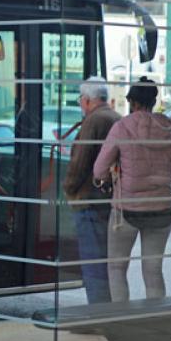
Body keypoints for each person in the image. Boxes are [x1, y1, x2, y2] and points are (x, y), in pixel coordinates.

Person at [94, 77, 171, 302]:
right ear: (154, 100)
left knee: (117, 268)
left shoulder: (121, 128)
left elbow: (99, 171)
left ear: (131, 101)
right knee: (153, 270)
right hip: (161, 211)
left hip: (125, 211)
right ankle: (156, 322)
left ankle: (123, 321)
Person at [62, 77, 121, 304]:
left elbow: (80, 162)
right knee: (107, 260)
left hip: (89, 200)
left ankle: (98, 314)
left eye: (80, 100)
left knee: (92, 260)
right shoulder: (116, 118)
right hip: (109, 200)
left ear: (86, 100)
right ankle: (106, 310)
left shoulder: (93, 121)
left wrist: (68, 189)